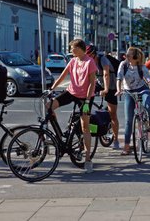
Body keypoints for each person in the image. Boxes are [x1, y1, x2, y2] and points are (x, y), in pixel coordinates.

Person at [49, 39, 97, 173]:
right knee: (49, 106)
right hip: (71, 92)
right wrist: (51, 89)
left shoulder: (89, 62)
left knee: (85, 126)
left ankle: (88, 158)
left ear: (79, 49)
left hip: (85, 97)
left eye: (72, 49)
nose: (71, 51)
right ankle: (58, 135)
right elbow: (62, 76)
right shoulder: (73, 61)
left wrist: (87, 102)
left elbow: (92, 83)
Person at [116, 47, 150, 155]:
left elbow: (148, 79)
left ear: (135, 57)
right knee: (129, 120)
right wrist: (119, 90)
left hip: (142, 89)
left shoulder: (141, 67)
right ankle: (126, 146)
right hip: (129, 91)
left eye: (128, 55)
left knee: (149, 102)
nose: (126, 57)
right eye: (126, 55)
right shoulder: (123, 65)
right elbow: (119, 78)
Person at [86, 45, 120, 149]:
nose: (88, 58)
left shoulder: (103, 59)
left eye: (90, 55)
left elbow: (106, 74)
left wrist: (106, 89)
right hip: (99, 83)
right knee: (85, 104)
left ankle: (116, 139)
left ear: (94, 53)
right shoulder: (88, 61)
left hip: (111, 86)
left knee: (112, 114)